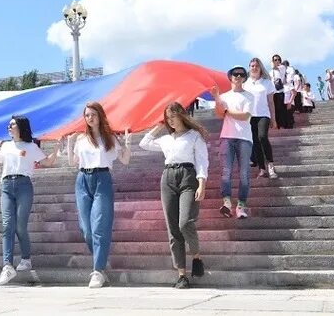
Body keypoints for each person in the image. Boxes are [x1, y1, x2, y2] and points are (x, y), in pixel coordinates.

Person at [139, 102, 208, 289]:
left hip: (188, 176)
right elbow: (143, 143)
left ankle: (196, 256)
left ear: (182, 115)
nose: (171, 121)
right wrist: (159, 127)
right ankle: (181, 275)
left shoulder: (194, 136)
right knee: (173, 229)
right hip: (168, 177)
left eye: (173, 116)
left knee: (185, 222)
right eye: (168, 118)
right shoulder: (166, 139)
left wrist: (202, 184)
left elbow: (202, 162)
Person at [66, 101, 132, 288]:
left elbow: (125, 160)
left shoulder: (109, 138)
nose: (90, 118)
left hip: (102, 178)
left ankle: (97, 270)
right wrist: (70, 144)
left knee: (100, 226)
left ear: (100, 116)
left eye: (93, 114)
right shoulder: (81, 139)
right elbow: (73, 162)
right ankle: (100, 264)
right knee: (86, 229)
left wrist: (127, 144)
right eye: (87, 115)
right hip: (82, 180)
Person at [0, 116, 59, 286]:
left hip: (24, 185)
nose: (9, 127)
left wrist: (57, 146)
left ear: (20, 127)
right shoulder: (6, 146)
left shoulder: (31, 146)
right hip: (6, 185)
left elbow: (47, 162)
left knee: (20, 225)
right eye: (9, 125)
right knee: (7, 225)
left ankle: (26, 258)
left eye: (12, 124)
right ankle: (7, 266)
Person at [211, 65, 254, 219]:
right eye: (235, 74)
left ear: (244, 78)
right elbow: (219, 113)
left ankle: (241, 206)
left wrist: (227, 111)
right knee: (226, 172)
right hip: (227, 137)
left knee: (244, 174)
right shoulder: (225, 96)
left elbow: (245, 116)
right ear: (230, 77)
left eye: (241, 74)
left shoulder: (249, 96)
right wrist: (216, 97)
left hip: (244, 138)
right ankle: (227, 203)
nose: (238, 77)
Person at [243, 58, 278, 179]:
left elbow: (271, 102)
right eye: (252, 66)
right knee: (255, 142)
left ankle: (270, 165)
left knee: (262, 137)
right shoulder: (245, 83)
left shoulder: (267, 82)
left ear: (260, 67)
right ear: (249, 67)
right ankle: (262, 169)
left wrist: (274, 119)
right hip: (250, 116)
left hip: (263, 114)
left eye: (256, 66)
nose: (254, 68)